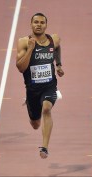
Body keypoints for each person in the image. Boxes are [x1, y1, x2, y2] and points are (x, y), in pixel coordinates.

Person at [16, 13, 64, 158]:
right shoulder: (24, 42)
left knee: (47, 109)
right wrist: (30, 49)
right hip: (32, 89)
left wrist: (59, 64)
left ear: (46, 25)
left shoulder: (53, 39)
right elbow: (20, 68)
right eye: (36, 22)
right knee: (35, 124)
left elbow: (57, 48)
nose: (38, 25)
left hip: (49, 86)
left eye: (42, 22)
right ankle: (29, 102)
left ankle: (44, 147)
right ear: (31, 24)